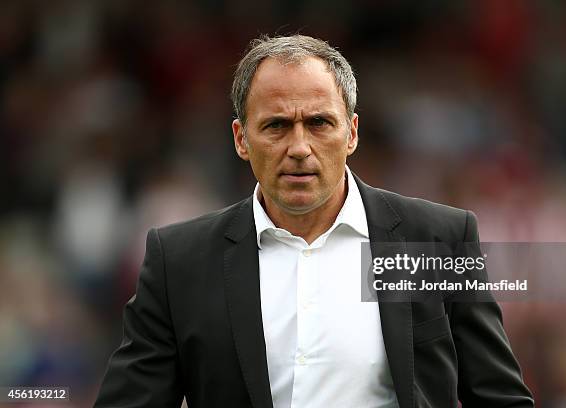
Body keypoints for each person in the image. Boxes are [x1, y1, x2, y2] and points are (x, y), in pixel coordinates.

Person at [94, 35, 534, 408]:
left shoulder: (437, 240)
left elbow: (498, 398)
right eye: (277, 126)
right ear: (241, 139)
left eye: (320, 123)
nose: (300, 146)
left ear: (353, 132)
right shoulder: (180, 262)